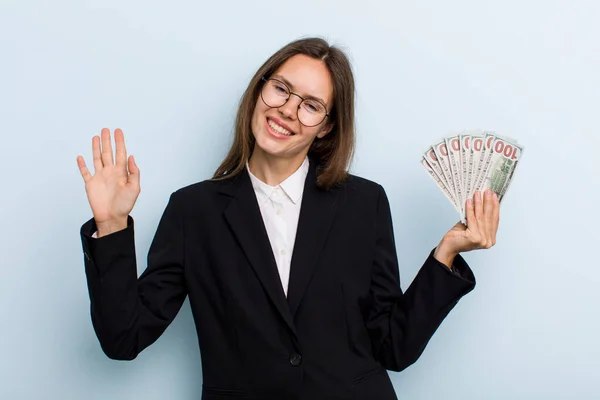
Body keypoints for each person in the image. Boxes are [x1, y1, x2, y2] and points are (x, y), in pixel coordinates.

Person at [77, 37, 499, 400]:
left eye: (311, 105)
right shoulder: (193, 212)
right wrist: (112, 227)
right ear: (260, 90)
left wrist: (445, 255)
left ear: (327, 127)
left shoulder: (363, 203)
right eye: (281, 89)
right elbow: (123, 338)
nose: (288, 111)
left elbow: (394, 348)